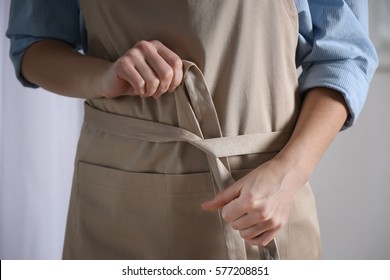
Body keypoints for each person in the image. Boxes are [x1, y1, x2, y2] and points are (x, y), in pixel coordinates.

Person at [6, 0, 377, 260]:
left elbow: (344, 55)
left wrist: (289, 174)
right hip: (116, 206)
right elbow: (34, 44)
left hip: (258, 200)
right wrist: (104, 75)